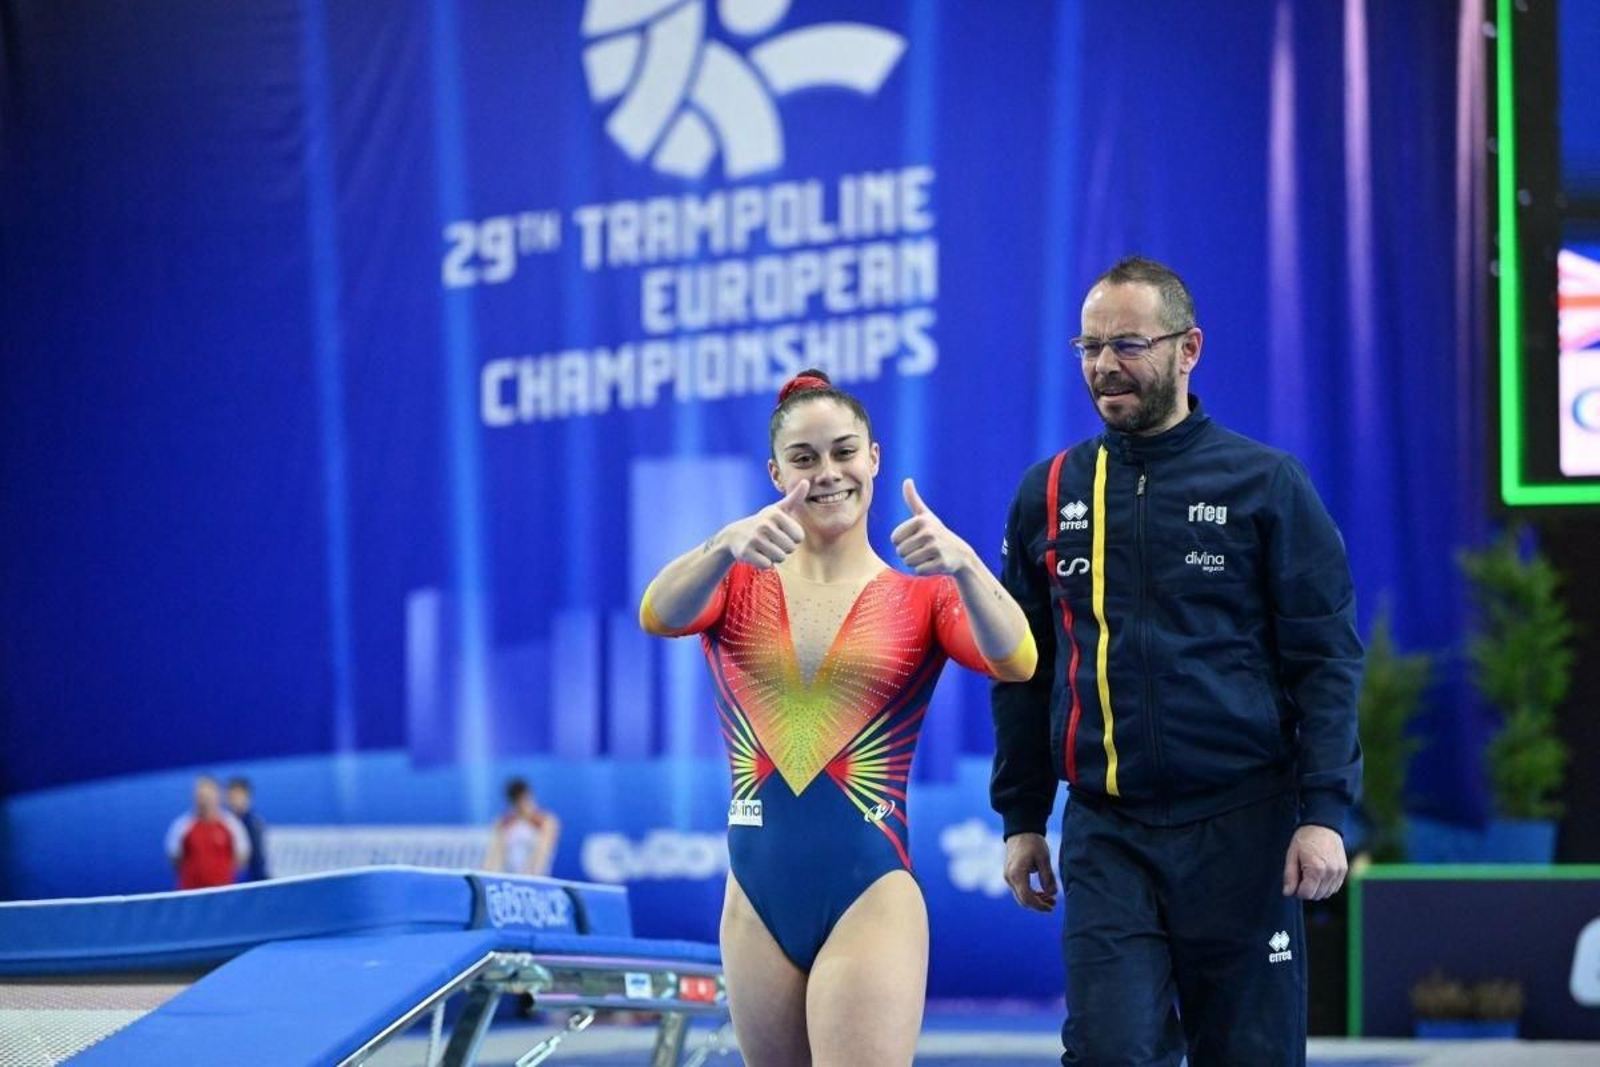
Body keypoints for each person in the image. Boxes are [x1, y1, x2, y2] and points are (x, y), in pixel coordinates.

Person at [991, 256, 1362, 1067]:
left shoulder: (1266, 484)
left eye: (1127, 342)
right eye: (1088, 346)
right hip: (1108, 831)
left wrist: (1325, 810)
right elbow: (1024, 667)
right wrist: (1022, 815)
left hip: (1245, 828)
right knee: (1111, 1052)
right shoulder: (1047, 492)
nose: (1103, 365)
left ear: (1188, 349)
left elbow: (1327, 660)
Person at [640, 369, 1036, 1067]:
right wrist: (726, 540)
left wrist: (967, 565)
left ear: (875, 458)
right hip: (754, 899)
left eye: (844, 451)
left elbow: (1020, 659)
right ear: (775, 471)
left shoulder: (923, 598)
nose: (828, 473)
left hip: (868, 894)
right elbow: (657, 612)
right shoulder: (731, 584)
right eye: (804, 457)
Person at [164, 775, 251, 890]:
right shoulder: (182, 826)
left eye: (208, 796)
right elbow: (174, 858)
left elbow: (242, 857)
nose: (204, 801)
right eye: (200, 796)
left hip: (223, 894)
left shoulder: (232, 824)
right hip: (191, 895)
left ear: (217, 796)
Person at [483, 777, 561, 877]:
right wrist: (487, 875)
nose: (522, 805)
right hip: (510, 877)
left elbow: (542, 854)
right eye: (518, 802)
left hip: (536, 877)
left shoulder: (546, 822)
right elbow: (496, 855)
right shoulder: (503, 823)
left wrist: (530, 876)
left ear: (530, 797)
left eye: (525, 800)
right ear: (512, 803)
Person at [225, 777, 270, 882]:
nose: (234, 800)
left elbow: (258, 861)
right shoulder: (223, 824)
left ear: (247, 797)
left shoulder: (254, 824)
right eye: (231, 797)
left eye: (238, 796)